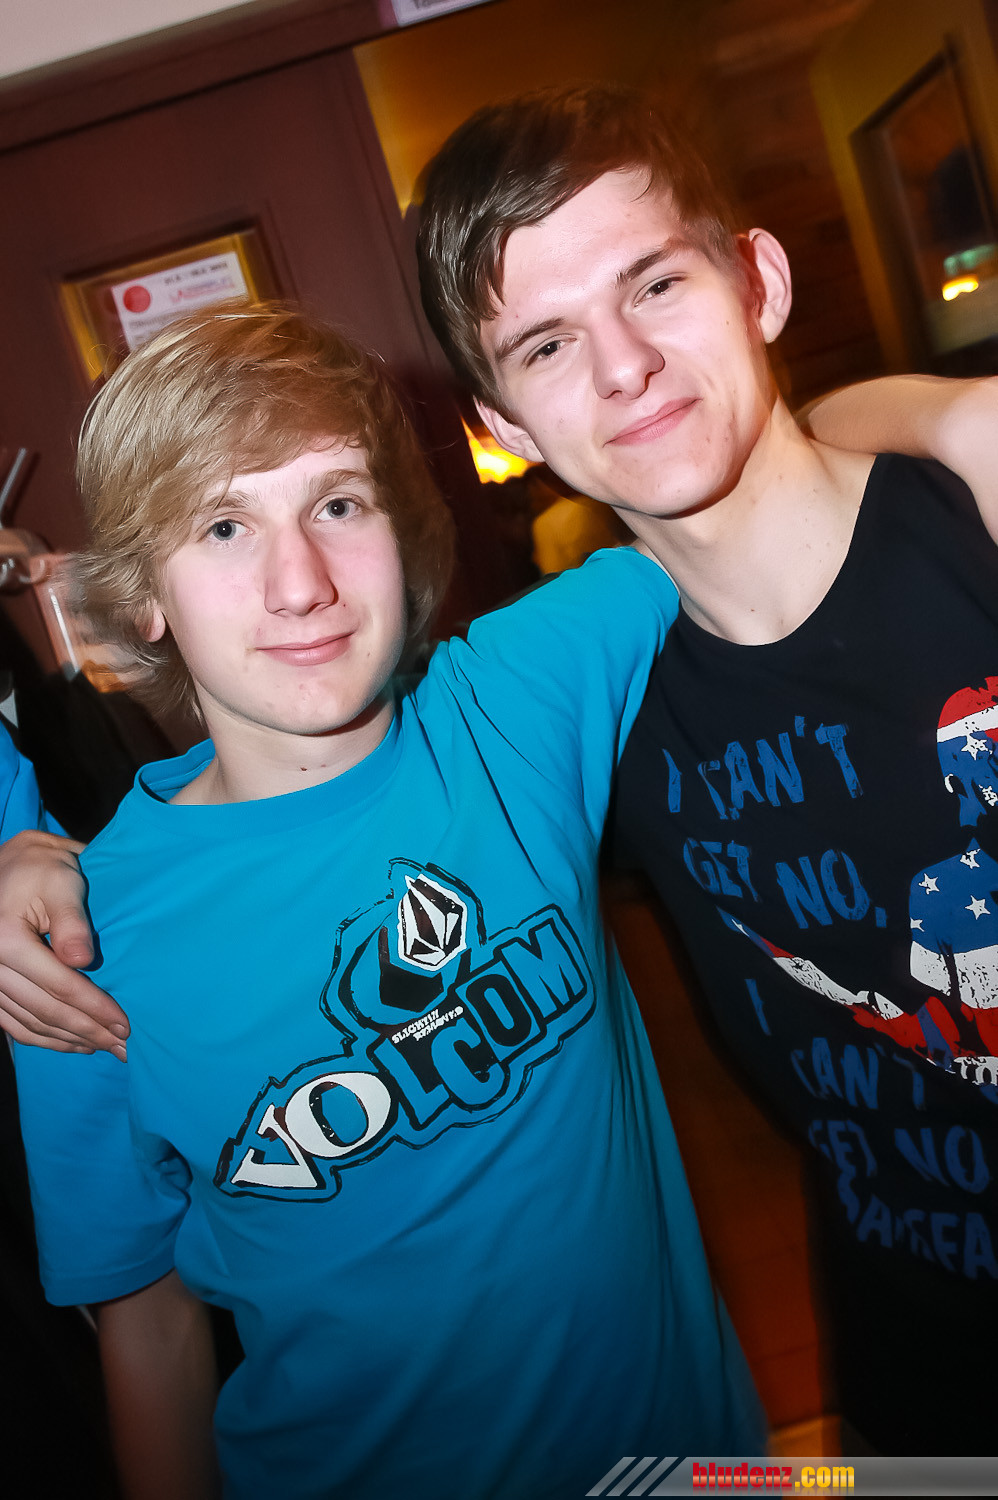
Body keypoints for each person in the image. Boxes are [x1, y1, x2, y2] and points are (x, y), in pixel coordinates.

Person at [4, 304, 762, 1500]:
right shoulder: (75, 946)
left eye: (338, 505)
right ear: (145, 595)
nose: (299, 583)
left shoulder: (516, 703)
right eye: (223, 526)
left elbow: (766, 482)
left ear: (400, 537)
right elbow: (147, 1325)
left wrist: (947, 414)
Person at [412, 86, 998, 1454]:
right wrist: (38, 866)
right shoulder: (584, 706)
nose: (622, 366)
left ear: (758, 282)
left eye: (655, 284)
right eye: (547, 343)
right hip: (921, 1389)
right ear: (502, 423)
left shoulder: (975, 517)